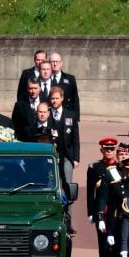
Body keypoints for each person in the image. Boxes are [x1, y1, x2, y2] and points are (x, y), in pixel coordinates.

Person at [86, 138, 121, 257]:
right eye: (106, 149)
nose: (109, 151)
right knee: (103, 247)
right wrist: (91, 212)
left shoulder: (120, 167)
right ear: (101, 150)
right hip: (102, 212)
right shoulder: (95, 167)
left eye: (112, 149)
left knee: (116, 245)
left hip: (116, 211)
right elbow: (90, 192)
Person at [50, 87, 79, 233]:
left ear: (62, 98)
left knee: (67, 188)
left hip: (67, 157)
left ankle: (68, 223)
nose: (54, 101)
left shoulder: (70, 115)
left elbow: (75, 138)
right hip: (52, 157)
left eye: (56, 98)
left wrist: (76, 158)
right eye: (52, 98)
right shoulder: (47, 114)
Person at [49, 53, 79, 120]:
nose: (55, 64)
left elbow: (75, 99)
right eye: (53, 61)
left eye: (57, 61)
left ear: (61, 63)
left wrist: (76, 117)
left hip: (66, 114)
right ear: (49, 63)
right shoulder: (45, 79)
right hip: (49, 115)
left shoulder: (70, 78)